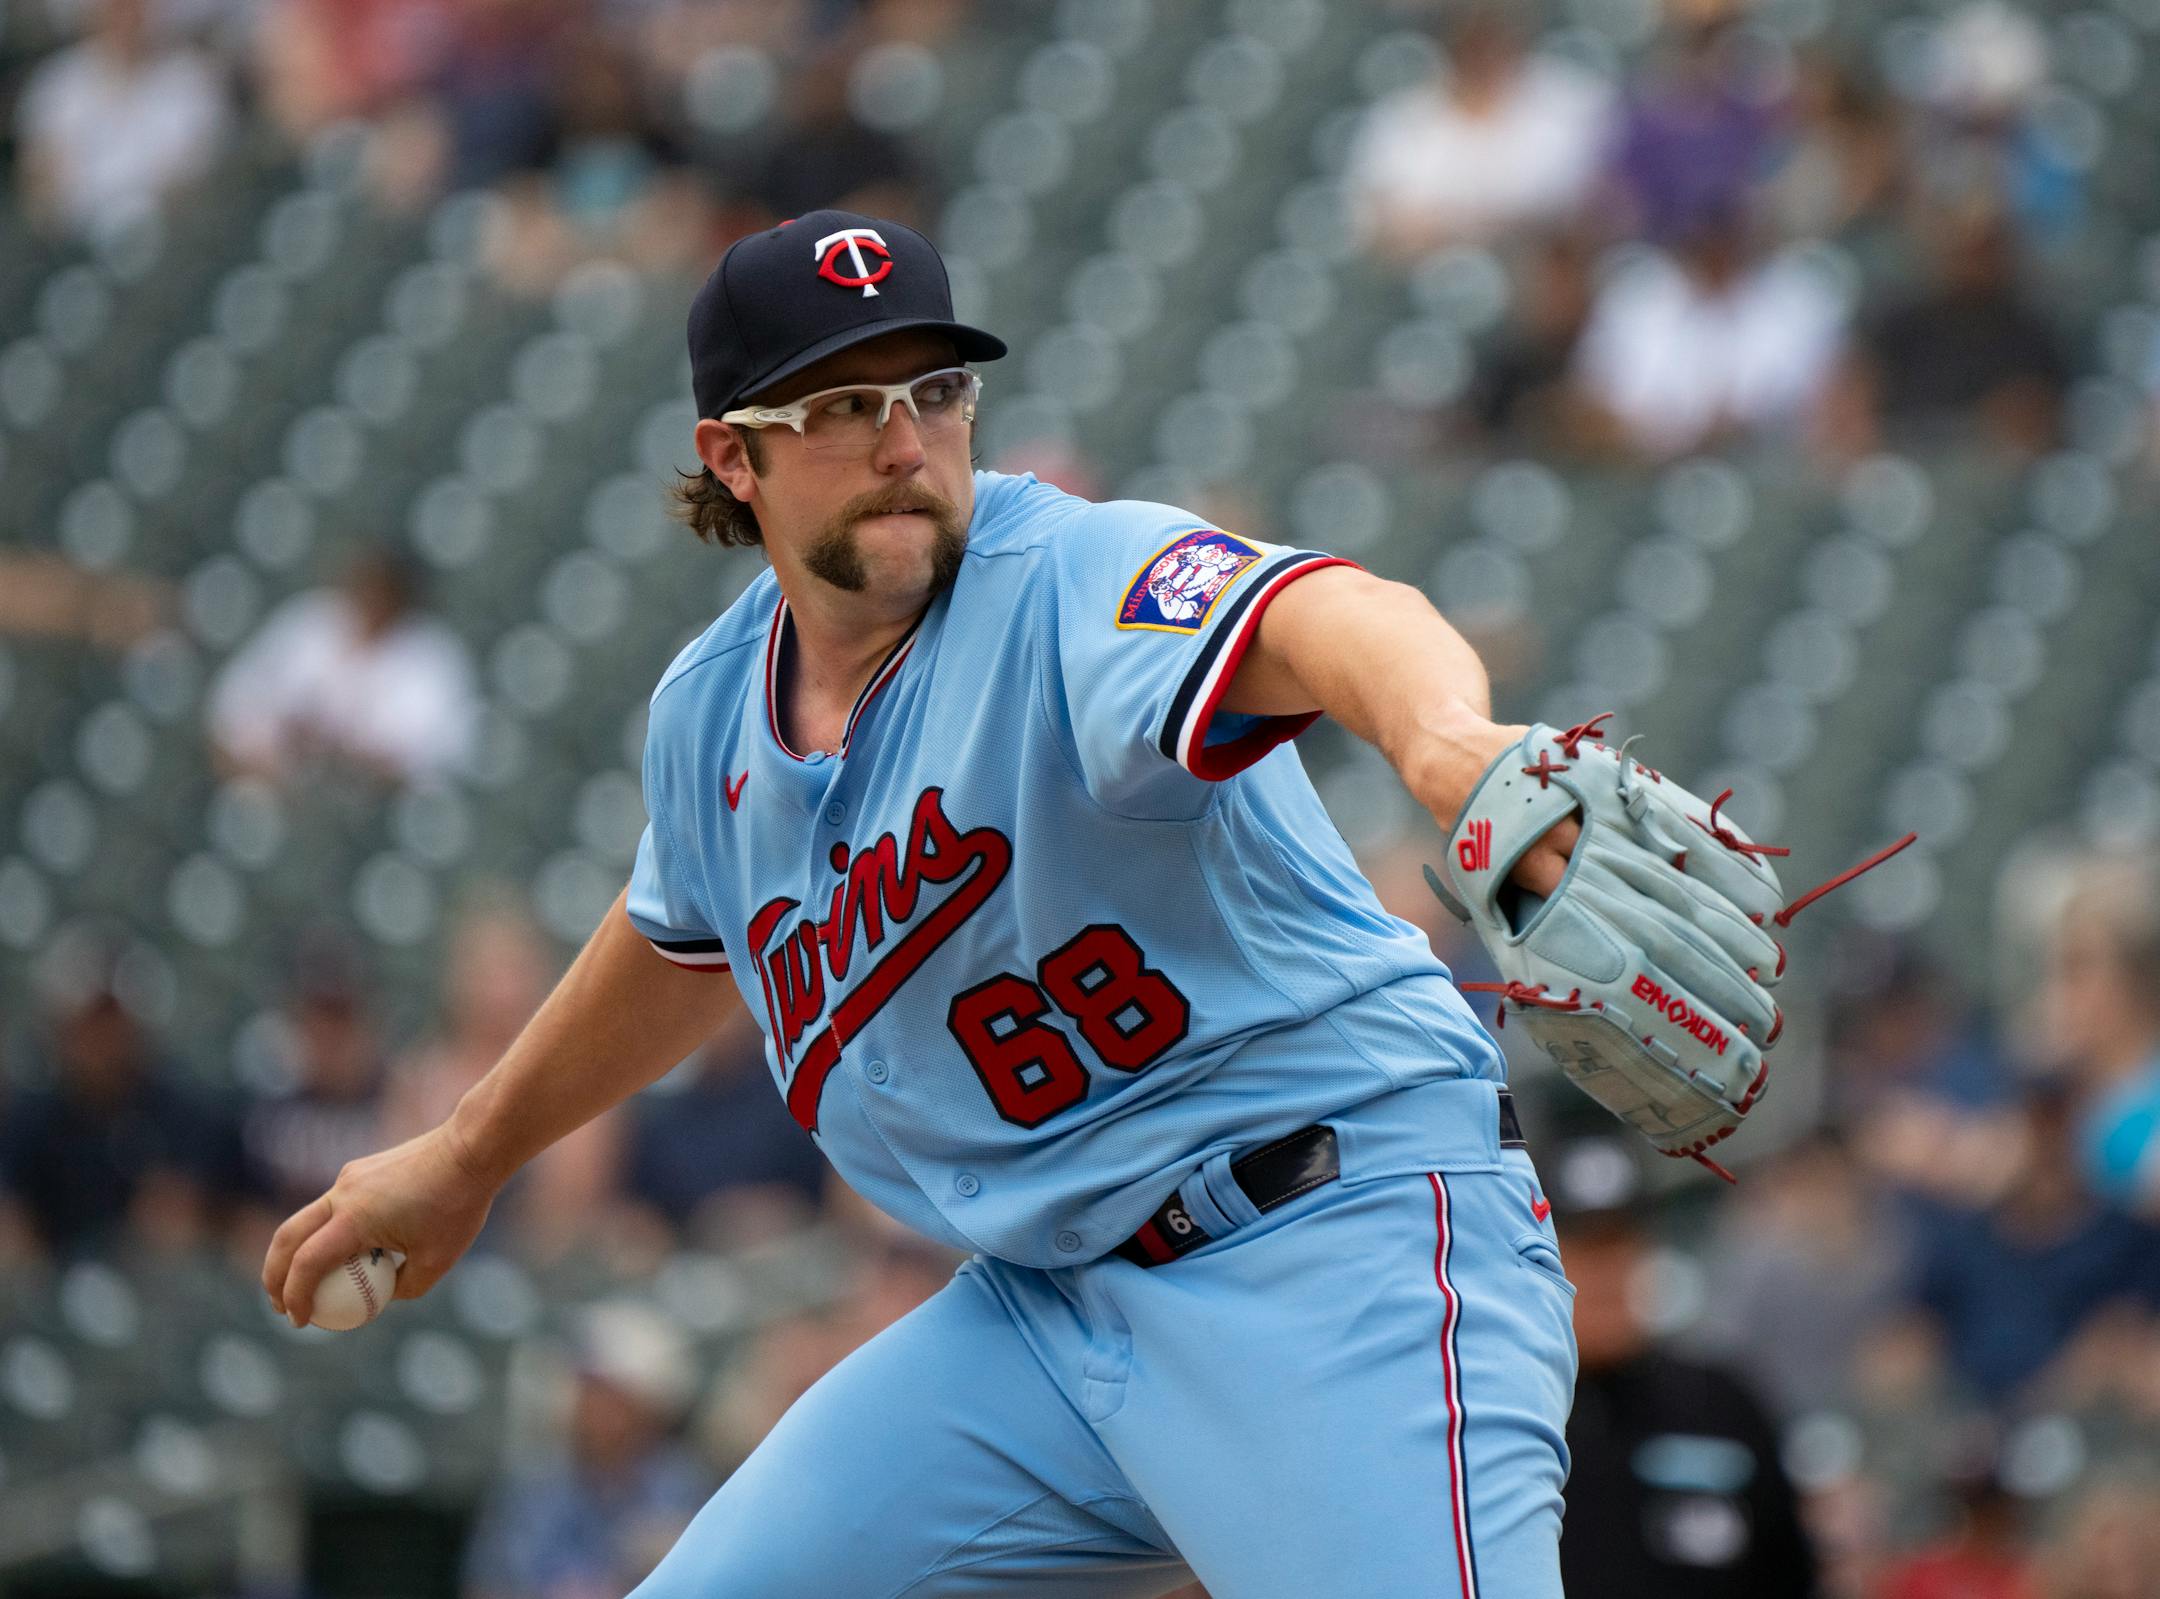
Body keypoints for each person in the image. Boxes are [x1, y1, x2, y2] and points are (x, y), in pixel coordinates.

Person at [265, 207, 1601, 1597]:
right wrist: (471, 1151)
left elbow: (1321, 618)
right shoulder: (711, 714)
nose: (907, 443)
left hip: (1334, 1243)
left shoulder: (1066, 579)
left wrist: (1446, 740)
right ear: (734, 452)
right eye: (844, 404)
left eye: (938, 391)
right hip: (1044, 1315)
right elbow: (682, 936)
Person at [1550, 1132, 1820, 1598]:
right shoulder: (1497, 1417)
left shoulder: (1723, 1406)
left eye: (1620, 1243)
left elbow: (1791, 1575)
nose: (1606, 1274)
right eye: (1582, 1248)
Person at [207, 546, 478, 790]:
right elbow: (235, 706)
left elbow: (442, 754)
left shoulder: (432, 656)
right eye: (364, 588)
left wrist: (359, 761)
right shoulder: (312, 621)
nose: (370, 601)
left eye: (381, 592)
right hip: (289, 789)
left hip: (374, 808)